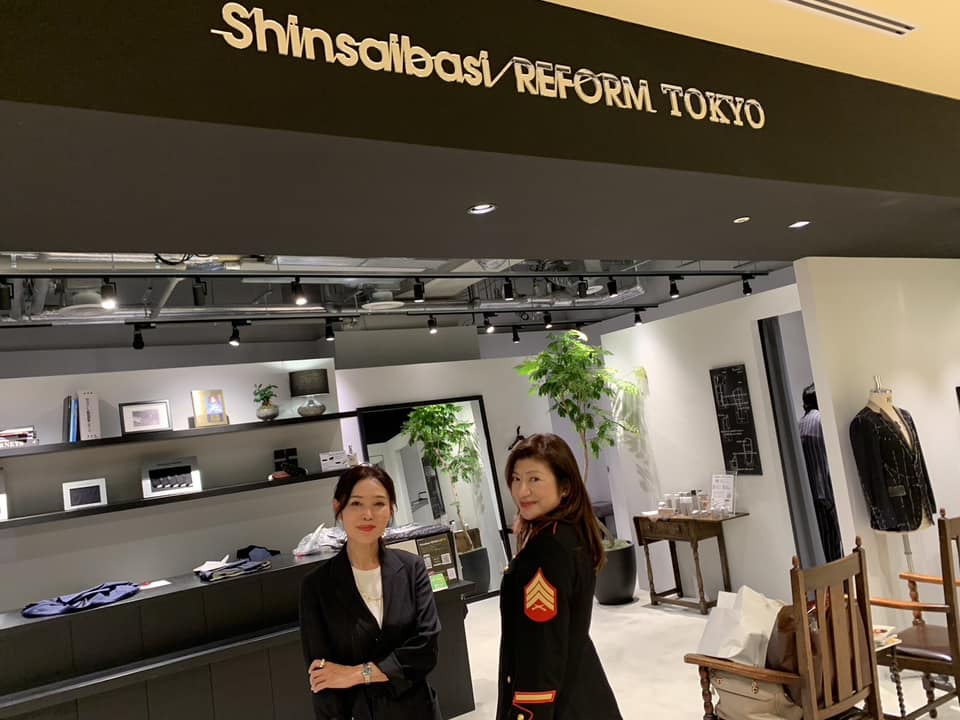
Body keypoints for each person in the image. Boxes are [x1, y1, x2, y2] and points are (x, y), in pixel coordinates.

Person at [299, 464, 443, 720]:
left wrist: (355, 674)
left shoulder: (412, 569)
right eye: (356, 504)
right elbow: (322, 677)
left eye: (378, 504)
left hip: (416, 711)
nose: (368, 514)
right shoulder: (316, 586)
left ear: (391, 510)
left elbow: (425, 651)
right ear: (338, 508)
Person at [497, 433, 622, 720]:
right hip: (582, 687)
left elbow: (542, 650)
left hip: (559, 705)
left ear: (564, 487)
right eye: (516, 479)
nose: (522, 491)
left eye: (534, 479)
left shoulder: (545, 551)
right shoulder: (569, 533)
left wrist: (527, 714)